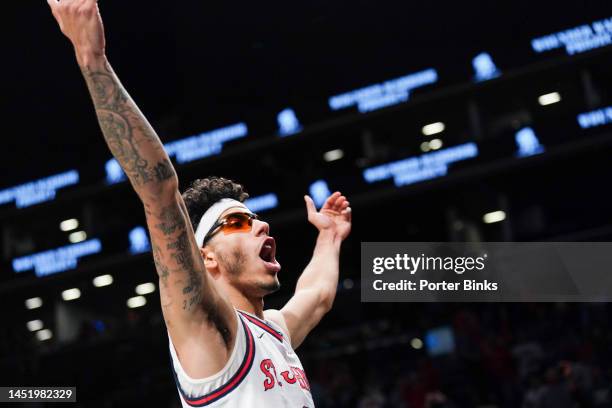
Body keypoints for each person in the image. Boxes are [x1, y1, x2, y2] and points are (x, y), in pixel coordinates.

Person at [46, 1, 352, 406]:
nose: (261, 226)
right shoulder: (204, 326)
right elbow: (158, 190)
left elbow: (316, 295)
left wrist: (329, 238)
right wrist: (92, 59)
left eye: (256, 219)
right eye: (239, 223)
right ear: (206, 257)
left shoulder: (274, 330)